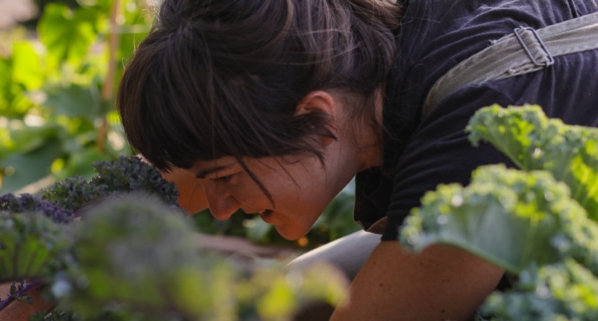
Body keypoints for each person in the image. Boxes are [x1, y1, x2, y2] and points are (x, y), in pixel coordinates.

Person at [117, 0, 598, 320]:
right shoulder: (398, 53)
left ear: (317, 118)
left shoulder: (476, 119)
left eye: (223, 177)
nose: (218, 208)